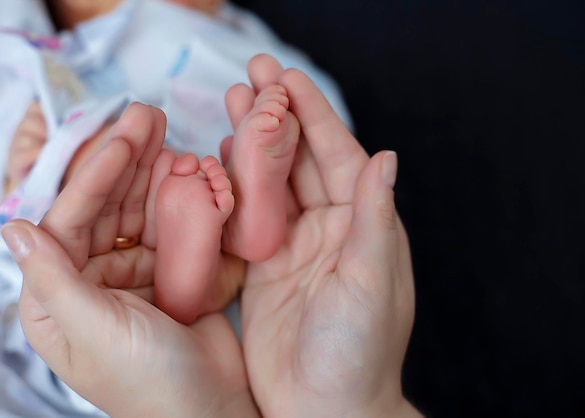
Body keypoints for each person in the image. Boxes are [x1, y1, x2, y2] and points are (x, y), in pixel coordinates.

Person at [2, 56, 423, 417]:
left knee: (97, 179)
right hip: (258, 319)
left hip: (161, 353)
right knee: (96, 159)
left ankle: (211, 255)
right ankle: (230, 237)